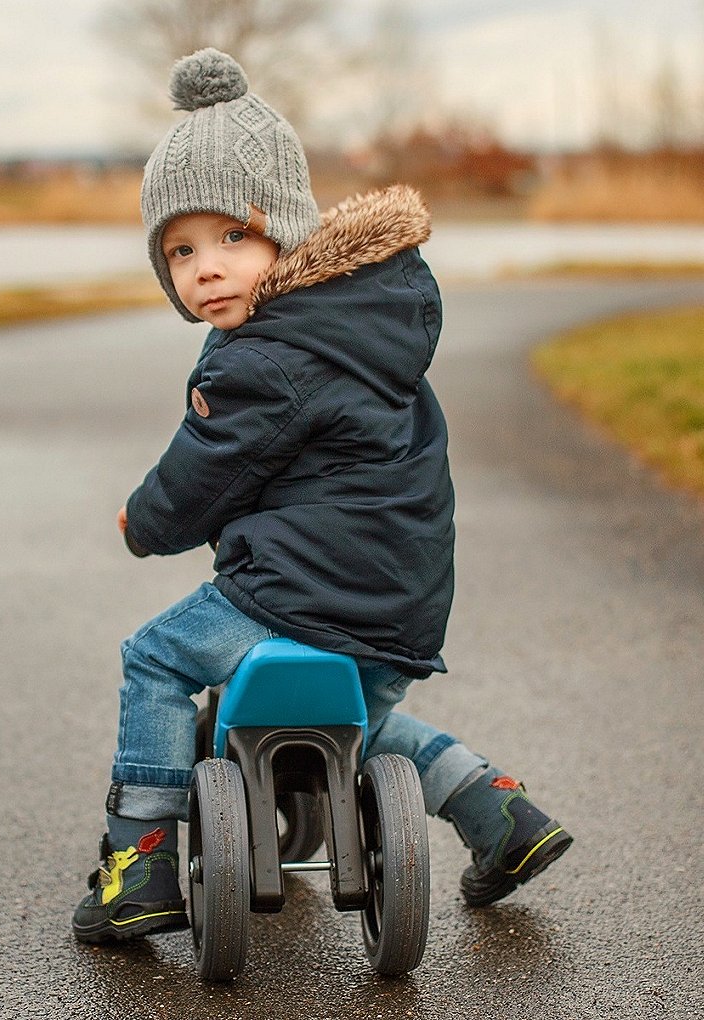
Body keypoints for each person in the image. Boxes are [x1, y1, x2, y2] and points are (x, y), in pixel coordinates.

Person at [71, 48, 572, 945]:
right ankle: (501, 812)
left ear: (287, 233)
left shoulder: (267, 356)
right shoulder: (359, 328)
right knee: (357, 730)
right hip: (400, 600)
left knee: (156, 657)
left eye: (232, 237)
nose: (206, 269)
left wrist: (143, 522)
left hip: (305, 592)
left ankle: (135, 859)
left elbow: (204, 472)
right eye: (180, 251)